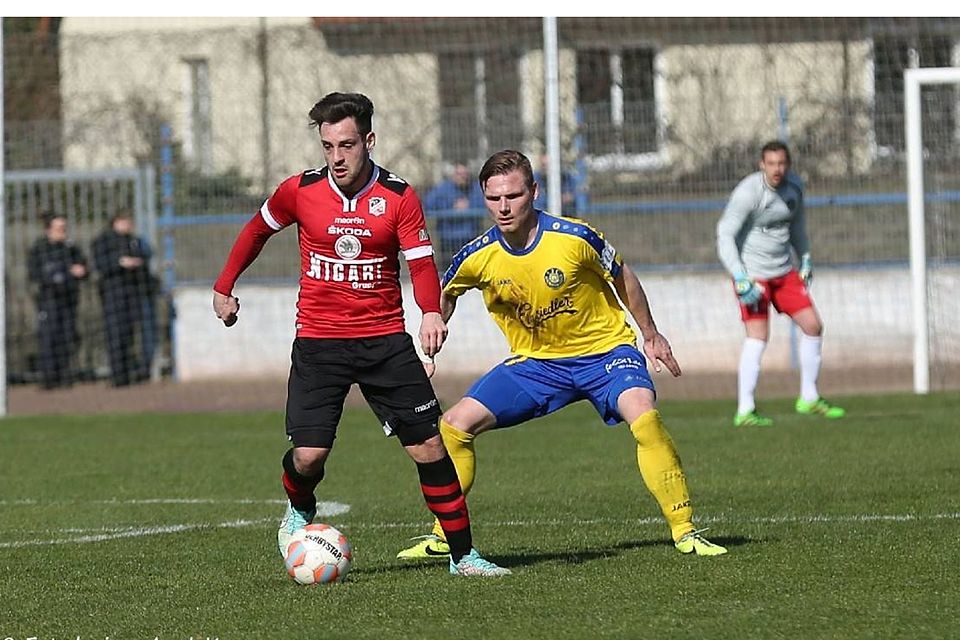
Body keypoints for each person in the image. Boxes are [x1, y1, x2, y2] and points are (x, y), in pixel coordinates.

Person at [212, 92, 509, 578]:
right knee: (308, 456)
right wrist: (225, 286)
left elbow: (420, 263)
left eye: (346, 145)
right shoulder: (299, 191)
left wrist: (430, 313)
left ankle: (464, 557)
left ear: (368, 141)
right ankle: (298, 507)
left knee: (429, 447)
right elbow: (255, 231)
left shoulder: (397, 196)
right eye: (328, 146)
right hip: (319, 341)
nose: (336, 157)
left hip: (384, 341)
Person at [397, 149, 727, 561]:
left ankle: (686, 530)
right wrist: (435, 324)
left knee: (643, 414)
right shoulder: (476, 255)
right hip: (536, 365)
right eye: (494, 198)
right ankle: (444, 536)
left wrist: (650, 333)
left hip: (605, 353)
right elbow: (444, 294)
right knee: (454, 425)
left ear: (534, 192)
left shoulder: (574, 237)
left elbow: (622, 275)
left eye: (513, 196)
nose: (503, 207)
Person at [716, 140, 846, 427]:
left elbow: (797, 227)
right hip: (753, 276)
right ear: (762, 165)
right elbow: (724, 234)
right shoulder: (749, 192)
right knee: (757, 337)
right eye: (771, 163)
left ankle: (809, 398)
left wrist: (806, 259)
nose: (777, 169)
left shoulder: (795, 187)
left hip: (784, 272)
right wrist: (739, 275)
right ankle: (745, 409)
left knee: (813, 326)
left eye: (782, 163)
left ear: (788, 165)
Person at [92, 212, 157, 387]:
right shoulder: (103, 241)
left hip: (132, 293)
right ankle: (118, 376)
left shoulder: (134, 240)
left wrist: (137, 262)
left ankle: (130, 373)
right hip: (113, 294)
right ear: (116, 222)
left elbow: (147, 255)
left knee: (129, 334)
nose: (129, 225)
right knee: (115, 334)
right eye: (125, 221)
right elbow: (100, 263)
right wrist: (119, 262)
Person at [26, 213, 89, 389]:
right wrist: (59, 274)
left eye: (64, 228)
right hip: (48, 300)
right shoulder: (39, 249)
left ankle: (65, 376)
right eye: (59, 228)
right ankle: (48, 378)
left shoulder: (71, 248)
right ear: (49, 229)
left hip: (69, 299)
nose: (63, 232)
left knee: (68, 337)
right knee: (49, 337)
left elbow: (84, 268)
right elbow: (35, 275)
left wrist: (81, 271)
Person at [422, 162, 485, 267]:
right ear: (453, 175)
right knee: (448, 271)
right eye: (459, 174)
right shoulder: (443, 189)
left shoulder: (475, 189)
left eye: (465, 174)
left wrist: (469, 205)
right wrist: (451, 206)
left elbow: (485, 203)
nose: (463, 177)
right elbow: (429, 204)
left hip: (471, 238)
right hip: (448, 240)